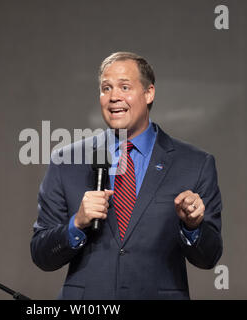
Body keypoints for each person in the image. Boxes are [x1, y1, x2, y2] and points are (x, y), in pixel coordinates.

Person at [31, 52, 223, 299]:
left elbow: (209, 257)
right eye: (106, 88)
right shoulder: (66, 162)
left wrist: (192, 227)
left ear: (149, 93)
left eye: (124, 86)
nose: (113, 97)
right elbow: (42, 255)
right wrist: (76, 224)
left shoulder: (195, 163)